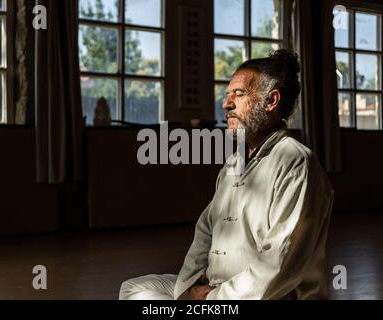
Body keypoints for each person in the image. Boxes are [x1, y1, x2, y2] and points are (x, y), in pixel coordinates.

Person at [119, 49, 334, 300]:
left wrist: (212, 299)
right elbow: (206, 230)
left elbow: (278, 262)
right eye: (226, 94)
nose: (226, 103)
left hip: (268, 296)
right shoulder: (234, 163)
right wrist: (191, 286)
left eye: (238, 94)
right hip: (215, 287)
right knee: (135, 289)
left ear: (271, 101)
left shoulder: (296, 163)